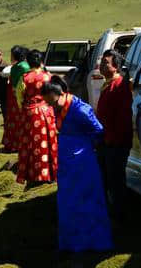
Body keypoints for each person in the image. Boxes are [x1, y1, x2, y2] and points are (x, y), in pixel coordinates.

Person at [42, 76, 113, 252]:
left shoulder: (81, 110)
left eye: (53, 104)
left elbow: (98, 131)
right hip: (67, 162)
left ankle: (92, 243)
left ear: (62, 94)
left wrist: (85, 147)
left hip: (83, 163)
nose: (52, 108)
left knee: (87, 201)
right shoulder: (59, 107)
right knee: (68, 203)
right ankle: (71, 243)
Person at [95, 49, 133, 223]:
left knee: (116, 181)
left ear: (116, 67)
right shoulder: (108, 84)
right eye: (102, 62)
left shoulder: (119, 86)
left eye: (106, 63)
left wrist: (113, 139)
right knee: (108, 179)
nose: (102, 65)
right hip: (106, 141)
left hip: (116, 141)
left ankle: (119, 217)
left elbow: (123, 116)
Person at [15, 49, 57, 185]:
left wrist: (24, 109)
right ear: (41, 61)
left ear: (28, 62)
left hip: (30, 115)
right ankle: (50, 173)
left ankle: (32, 175)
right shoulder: (48, 77)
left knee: (30, 145)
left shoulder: (24, 78)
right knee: (48, 142)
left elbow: (19, 97)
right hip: (47, 112)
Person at [2, 46, 30, 151]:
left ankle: (12, 143)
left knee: (13, 119)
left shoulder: (16, 67)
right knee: (21, 120)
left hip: (13, 97)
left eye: (12, 54)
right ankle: (21, 143)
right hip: (21, 96)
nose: (10, 56)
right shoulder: (25, 66)